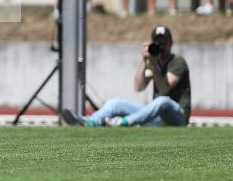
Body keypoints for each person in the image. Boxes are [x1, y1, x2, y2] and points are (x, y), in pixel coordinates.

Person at [61, 25, 190, 127]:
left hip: (177, 117)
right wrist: (145, 60)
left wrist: (154, 68)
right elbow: (138, 87)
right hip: (156, 118)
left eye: (164, 41)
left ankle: (123, 122)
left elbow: (165, 89)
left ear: (171, 44)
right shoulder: (153, 62)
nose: (161, 45)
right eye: (157, 41)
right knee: (115, 104)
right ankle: (89, 121)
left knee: (162, 101)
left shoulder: (177, 61)